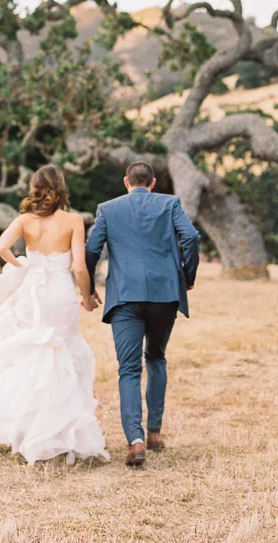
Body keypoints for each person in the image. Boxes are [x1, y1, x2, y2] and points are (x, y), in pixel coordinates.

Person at [0, 165, 109, 465]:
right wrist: (87, 296)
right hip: (60, 293)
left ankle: (28, 432)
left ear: (34, 188)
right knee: (64, 352)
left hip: (31, 292)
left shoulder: (24, 220)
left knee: (32, 356)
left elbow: (1, 246)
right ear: (61, 188)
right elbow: (80, 267)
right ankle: (61, 435)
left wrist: (22, 266)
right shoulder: (73, 220)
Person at [85, 161, 200, 467]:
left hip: (125, 296)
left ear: (126, 181)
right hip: (165, 294)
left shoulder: (108, 209)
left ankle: (135, 440)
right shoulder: (170, 204)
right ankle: (154, 433)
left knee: (129, 369)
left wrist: (88, 287)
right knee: (157, 357)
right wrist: (187, 276)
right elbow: (191, 238)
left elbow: (92, 249)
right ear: (152, 183)